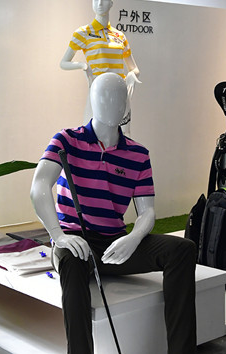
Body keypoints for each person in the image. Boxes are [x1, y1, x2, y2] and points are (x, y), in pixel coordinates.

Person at [30, 73, 196, 354]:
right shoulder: (66, 140)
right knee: (72, 264)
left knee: (183, 250)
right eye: (104, 96)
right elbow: (38, 187)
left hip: (116, 243)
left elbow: (147, 212)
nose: (112, 103)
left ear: (127, 103)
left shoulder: (138, 154)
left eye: (119, 98)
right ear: (92, 100)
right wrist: (58, 236)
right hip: (76, 241)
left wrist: (133, 238)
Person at [60, 0, 141, 135]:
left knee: (123, 136)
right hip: (98, 91)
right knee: (92, 135)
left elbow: (134, 68)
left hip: (119, 92)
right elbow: (64, 62)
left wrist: (132, 75)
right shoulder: (83, 33)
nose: (99, 3)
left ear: (111, 3)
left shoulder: (119, 35)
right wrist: (83, 65)